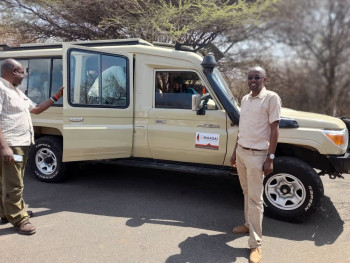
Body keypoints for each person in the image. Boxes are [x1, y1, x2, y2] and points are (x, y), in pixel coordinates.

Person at [0, 58, 64, 235]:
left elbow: (36, 109)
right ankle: (19, 219)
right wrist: (4, 147)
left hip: (22, 144)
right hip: (11, 145)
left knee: (10, 179)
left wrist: (57, 96)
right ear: (13, 71)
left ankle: (7, 212)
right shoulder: (1, 88)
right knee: (15, 183)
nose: (24, 75)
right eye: (22, 72)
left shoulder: (16, 92)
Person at [230, 66, 281, 263]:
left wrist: (270, 158)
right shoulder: (245, 99)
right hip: (242, 152)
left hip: (258, 155)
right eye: (250, 76)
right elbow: (243, 127)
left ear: (264, 79)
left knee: (255, 200)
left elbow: (274, 130)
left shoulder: (271, 98)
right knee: (246, 193)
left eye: (257, 77)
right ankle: (248, 224)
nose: (253, 80)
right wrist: (235, 151)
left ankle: (256, 244)